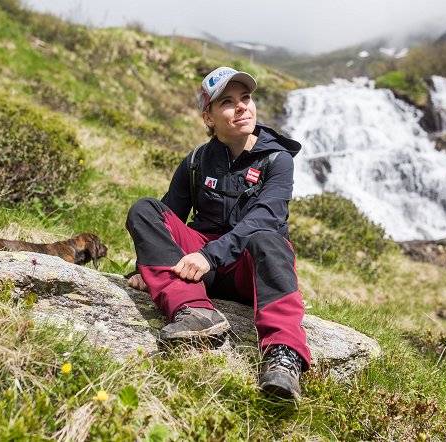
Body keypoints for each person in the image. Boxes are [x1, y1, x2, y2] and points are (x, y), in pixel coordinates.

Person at [126, 66, 310, 401]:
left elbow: (266, 218)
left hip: (245, 268)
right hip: (198, 269)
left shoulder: (277, 160)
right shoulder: (195, 161)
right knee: (145, 209)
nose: (242, 106)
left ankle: (283, 358)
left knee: (269, 238)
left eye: (246, 98)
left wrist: (209, 256)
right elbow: (169, 221)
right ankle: (194, 313)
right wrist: (145, 267)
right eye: (227, 101)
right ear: (208, 117)